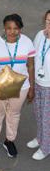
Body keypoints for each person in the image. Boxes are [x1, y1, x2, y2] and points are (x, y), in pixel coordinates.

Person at [0, 14, 35, 158]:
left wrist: (32, 87)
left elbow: (30, 66)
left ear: (20, 29)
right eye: (9, 28)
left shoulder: (27, 42)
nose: (12, 31)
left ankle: (9, 141)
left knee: (14, 114)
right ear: (4, 28)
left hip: (22, 86)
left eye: (16, 28)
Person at [27, 10, 50, 160]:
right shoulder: (40, 35)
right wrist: (31, 83)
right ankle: (41, 137)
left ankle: (46, 147)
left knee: (47, 118)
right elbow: (33, 58)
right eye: (48, 21)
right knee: (38, 113)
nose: (49, 24)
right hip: (38, 82)